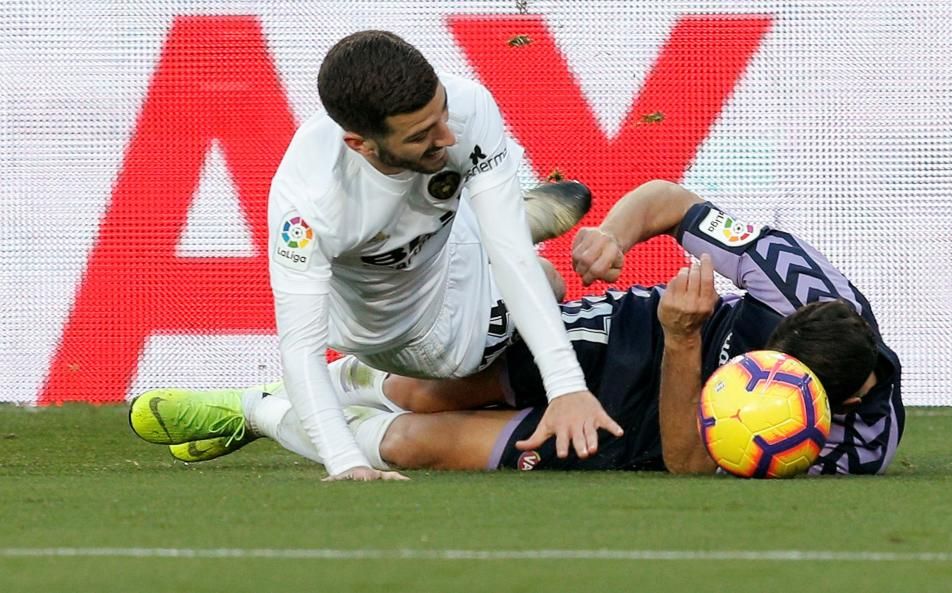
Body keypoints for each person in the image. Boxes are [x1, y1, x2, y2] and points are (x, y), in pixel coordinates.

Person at [130, 180, 904, 477]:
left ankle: (259, 415)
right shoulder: (800, 280)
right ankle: (264, 399)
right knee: (418, 390)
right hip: (627, 337)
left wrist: (685, 343)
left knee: (415, 443)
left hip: (652, 425)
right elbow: (671, 200)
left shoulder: (851, 447)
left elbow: (689, 461)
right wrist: (616, 236)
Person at [128, 30, 623, 481]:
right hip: (412, 336)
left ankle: (495, 218)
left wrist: (566, 387)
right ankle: (261, 409)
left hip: (447, 251)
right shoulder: (309, 205)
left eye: (442, 114)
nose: (447, 136)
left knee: (520, 259)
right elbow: (301, 347)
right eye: (421, 135)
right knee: (540, 284)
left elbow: (510, 256)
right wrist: (346, 463)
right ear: (360, 144)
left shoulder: (467, 106)